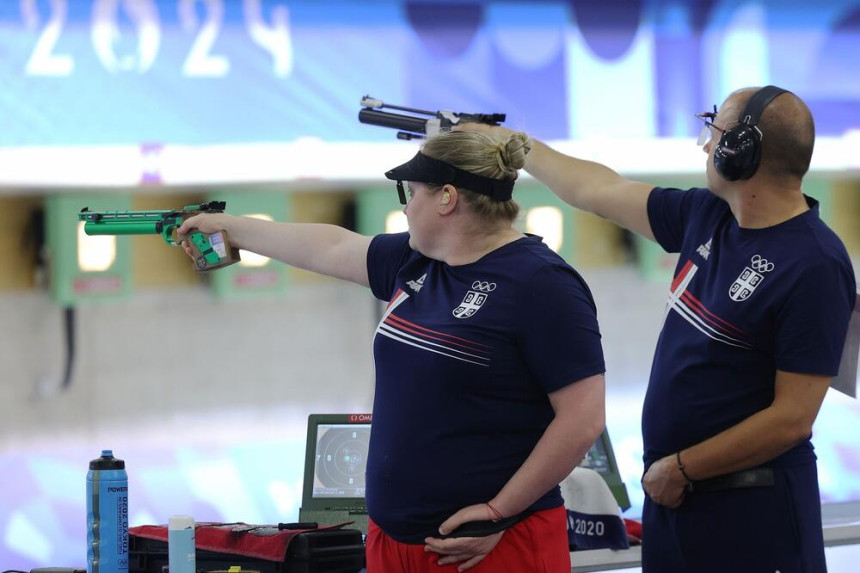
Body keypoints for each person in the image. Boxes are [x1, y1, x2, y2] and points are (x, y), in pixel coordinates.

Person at [459, 86, 857, 572]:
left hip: (749, 509)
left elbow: (792, 418)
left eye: (714, 131)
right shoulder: (709, 216)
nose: (705, 145)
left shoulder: (814, 263)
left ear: (741, 149)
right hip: (679, 497)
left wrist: (684, 466)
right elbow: (598, 191)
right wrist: (512, 144)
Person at [177, 130, 607, 572]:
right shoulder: (416, 260)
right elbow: (332, 246)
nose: (405, 205)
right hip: (394, 540)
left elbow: (582, 418)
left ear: (447, 198)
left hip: (487, 546)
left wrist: (500, 510)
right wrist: (230, 228)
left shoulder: (542, 284)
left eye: (412, 192)